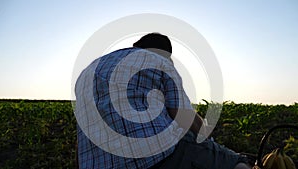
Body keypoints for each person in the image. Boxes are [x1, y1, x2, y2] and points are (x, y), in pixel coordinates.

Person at [75, 33, 251, 169]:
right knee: (236, 163)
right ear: (166, 54)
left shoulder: (88, 70)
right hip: (155, 157)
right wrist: (207, 138)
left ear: (136, 46)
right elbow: (183, 116)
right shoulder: (159, 60)